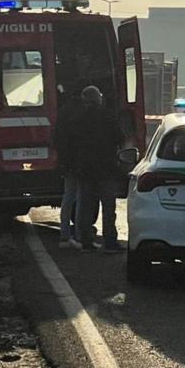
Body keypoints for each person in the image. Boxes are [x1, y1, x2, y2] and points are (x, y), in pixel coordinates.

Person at [67, 85, 125, 253]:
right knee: (108, 208)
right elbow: (120, 138)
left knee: (86, 207)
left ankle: (86, 241)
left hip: (85, 170)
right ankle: (110, 242)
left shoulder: (77, 119)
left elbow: (70, 144)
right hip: (106, 168)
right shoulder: (108, 116)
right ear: (98, 99)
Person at [53, 86, 83, 248]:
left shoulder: (64, 111)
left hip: (67, 162)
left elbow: (57, 138)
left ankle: (65, 235)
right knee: (80, 198)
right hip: (79, 162)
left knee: (69, 197)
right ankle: (78, 235)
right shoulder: (81, 113)